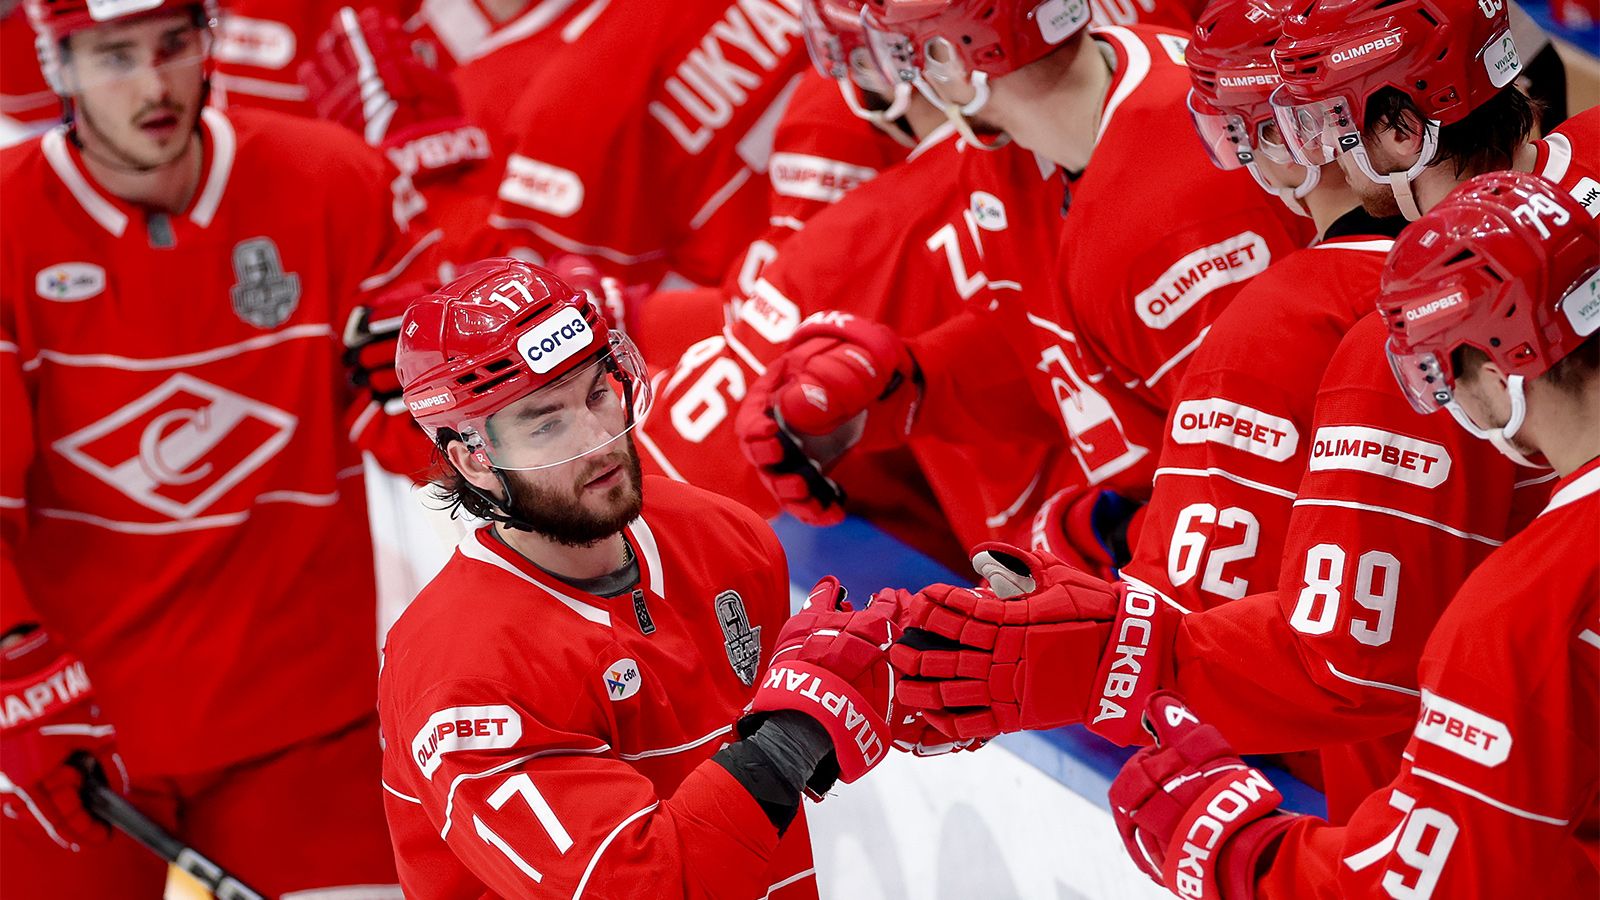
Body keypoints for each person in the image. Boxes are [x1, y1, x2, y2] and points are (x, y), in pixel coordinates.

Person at [884, 0, 1595, 825]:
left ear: (1402, 130)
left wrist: (1104, 650)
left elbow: (1342, 663)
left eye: (1316, 122)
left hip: (1484, 801)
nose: (1310, 150)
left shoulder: (1364, 336)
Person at [0, 0, 438, 893]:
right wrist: (15, 681)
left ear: (209, 41)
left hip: (306, 725)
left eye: (173, 45)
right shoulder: (7, 222)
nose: (154, 84)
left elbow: (440, 445)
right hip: (77, 730)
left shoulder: (333, 179)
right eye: (115, 56)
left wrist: (452, 345)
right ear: (56, 66)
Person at [1107, 169, 1598, 900]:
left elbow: (1444, 883)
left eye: (1441, 375)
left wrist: (1249, 857)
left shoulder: (1523, 611)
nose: (1444, 403)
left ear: (1501, 372)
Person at [376, 258, 926, 898]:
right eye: (547, 423)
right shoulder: (462, 678)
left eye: (596, 394)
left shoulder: (724, 536)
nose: (599, 438)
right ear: (474, 461)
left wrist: (946, 662)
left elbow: (840, 712)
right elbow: (649, 887)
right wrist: (792, 738)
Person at [737, 0, 1313, 577]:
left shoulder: (1186, 204)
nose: (891, 88)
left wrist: (1104, 543)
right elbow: (1077, 342)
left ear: (950, 58)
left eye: (894, 57)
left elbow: (1268, 483)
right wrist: (915, 384)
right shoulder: (1022, 142)